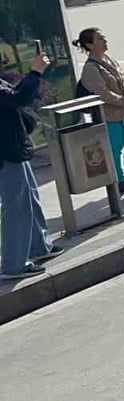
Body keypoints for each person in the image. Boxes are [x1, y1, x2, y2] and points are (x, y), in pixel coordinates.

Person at [0, 49, 60, 280]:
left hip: (13, 147)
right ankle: (14, 265)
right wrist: (35, 73)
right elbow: (16, 98)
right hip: (6, 152)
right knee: (16, 207)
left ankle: (39, 246)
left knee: (30, 199)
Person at [75, 28, 124, 193]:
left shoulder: (110, 60)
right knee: (115, 148)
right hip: (109, 115)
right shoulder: (90, 68)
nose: (105, 40)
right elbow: (103, 94)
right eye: (100, 38)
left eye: (104, 37)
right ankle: (120, 180)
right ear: (89, 45)